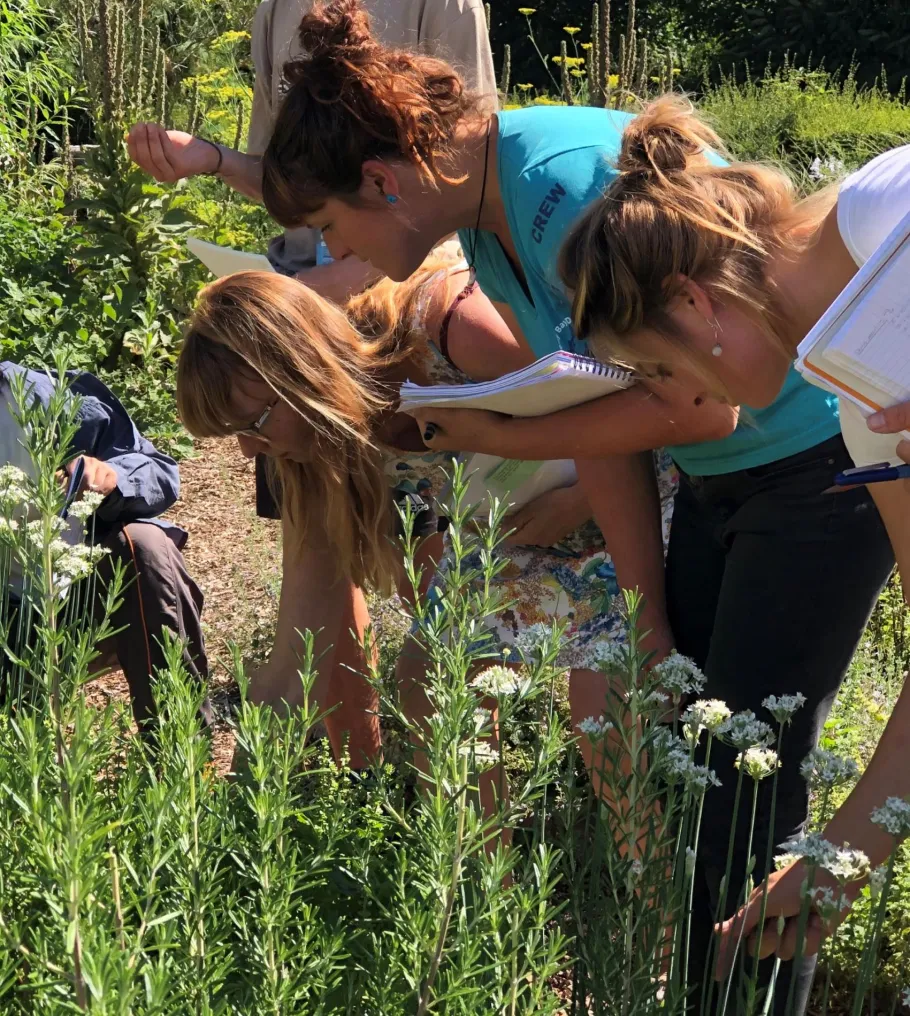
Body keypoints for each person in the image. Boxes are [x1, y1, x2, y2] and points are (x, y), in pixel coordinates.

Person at [258, 0, 744, 675]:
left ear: (378, 181)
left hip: (794, 462)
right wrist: (645, 618)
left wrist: (491, 434)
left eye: (328, 225)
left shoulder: (554, 195)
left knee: (729, 764)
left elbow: (705, 407)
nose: (333, 250)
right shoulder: (489, 232)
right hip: (721, 479)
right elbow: (590, 407)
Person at [559, 97, 908, 1008]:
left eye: (664, 371)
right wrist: (839, 857)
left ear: (694, 304)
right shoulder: (860, 411)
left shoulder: (886, 217)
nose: (685, 402)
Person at [174, 253, 678, 784]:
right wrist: (242, 785)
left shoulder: (449, 327)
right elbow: (300, 637)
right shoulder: (312, 456)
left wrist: (580, 502)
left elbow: (625, 397)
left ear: (300, 376)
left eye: (252, 422)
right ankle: (482, 861)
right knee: (429, 679)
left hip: (636, 496)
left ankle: (642, 861)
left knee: (604, 719)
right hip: (525, 533)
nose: (250, 450)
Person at [127, 0, 496, 301]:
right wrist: (214, 158)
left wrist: (360, 272)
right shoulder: (274, 10)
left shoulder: (447, 7)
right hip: (299, 279)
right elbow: (296, 185)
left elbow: (472, 180)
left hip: (412, 285)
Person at [0, 362, 212, 733]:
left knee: (144, 546)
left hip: (74, 607)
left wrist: (112, 478)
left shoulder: (51, 399)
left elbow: (159, 472)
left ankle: (180, 754)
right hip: (7, 628)